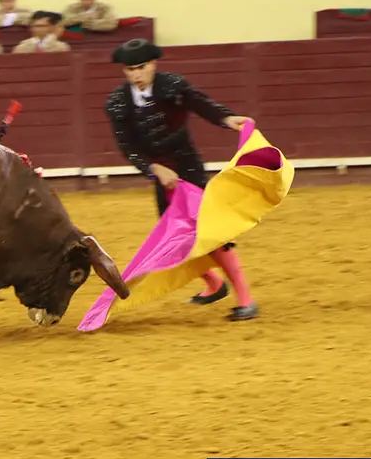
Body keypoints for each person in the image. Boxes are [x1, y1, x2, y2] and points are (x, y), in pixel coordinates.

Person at [103, 38, 260, 321]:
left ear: (153, 65)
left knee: (210, 235)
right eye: (130, 70)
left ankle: (246, 301)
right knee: (177, 238)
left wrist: (226, 119)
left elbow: (200, 104)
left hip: (188, 168)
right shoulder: (117, 103)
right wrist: (154, 169)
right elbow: (127, 147)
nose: (136, 75)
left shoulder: (171, 86)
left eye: (141, 67)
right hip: (163, 177)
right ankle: (214, 284)